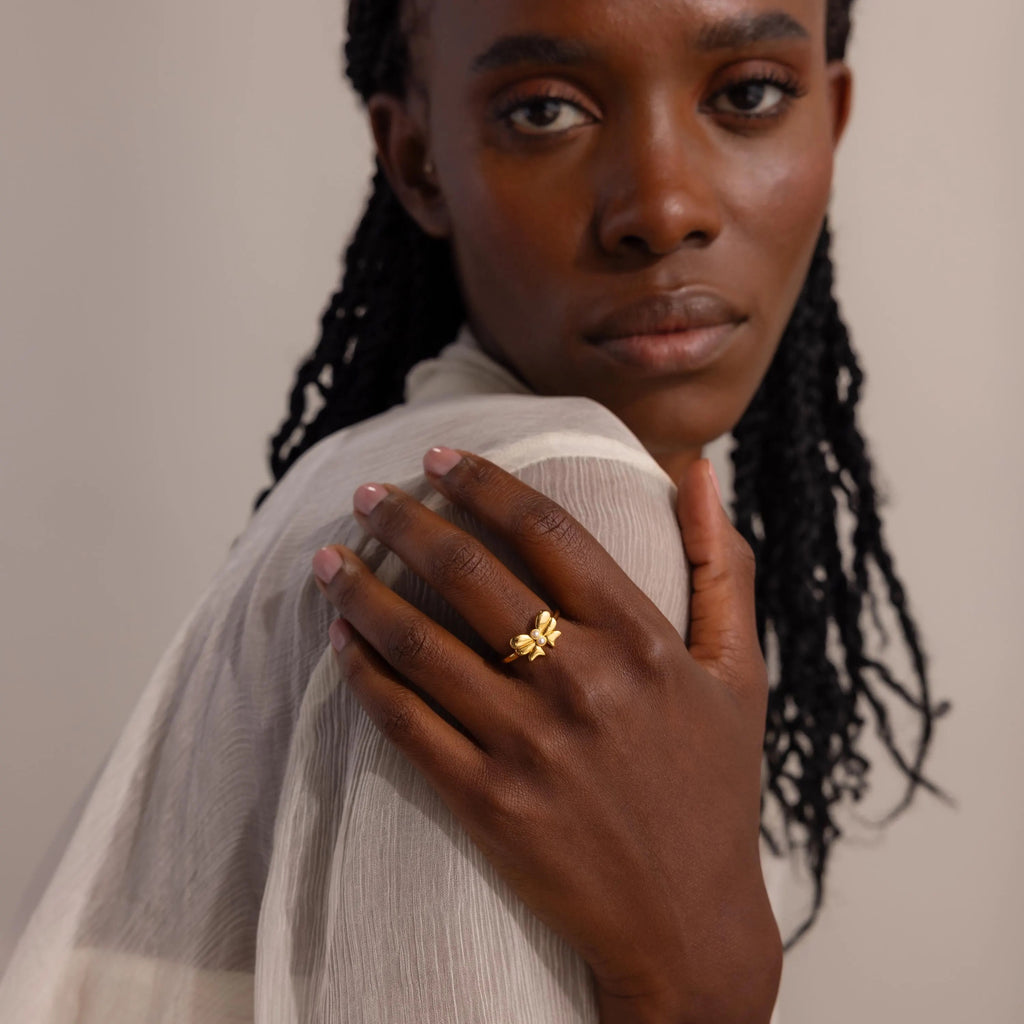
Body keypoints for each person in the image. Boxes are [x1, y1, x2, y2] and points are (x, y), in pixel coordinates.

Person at [0, 0, 944, 1021]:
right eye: (544, 110)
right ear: (416, 160)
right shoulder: (553, 501)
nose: (663, 207)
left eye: (749, 94)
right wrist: (706, 979)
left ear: (831, 117)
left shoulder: (371, 468)